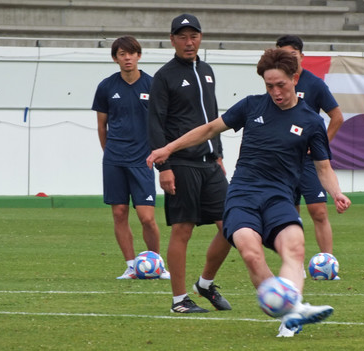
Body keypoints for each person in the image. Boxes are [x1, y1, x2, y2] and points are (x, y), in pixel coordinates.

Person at [147, 49, 351, 335]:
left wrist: (337, 193)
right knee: (250, 251)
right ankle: (293, 311)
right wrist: (168, 148)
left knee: (294, 248)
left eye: (281, 84)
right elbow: (208, 129)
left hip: (280, 197)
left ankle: (290, 314)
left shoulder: (312, 122)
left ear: (295, 79)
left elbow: (323, 167)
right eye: (269, 86)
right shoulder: (252, 106)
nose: (275, 92)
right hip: (243, 196)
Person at [147, 14, 232, 313]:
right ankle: (179, 300)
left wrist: (218, 153)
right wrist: (164, 166)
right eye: (182, 36)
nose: (189, 41)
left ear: (201, 37)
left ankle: (205, 283)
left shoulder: (207, 71)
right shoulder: (164, 76)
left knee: (233, 226)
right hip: (180, 164)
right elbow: (155, 123)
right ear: (172, 40)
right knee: (183, 229)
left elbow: (213, 119)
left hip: (210, 164)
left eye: (193, 35)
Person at [92, 35, 170, 280]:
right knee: (119, 213)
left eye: (132, 53)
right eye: (122, 54)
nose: (127, 58)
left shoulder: (153, 84)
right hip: (114, 159)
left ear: (139, 55)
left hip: (142, 160)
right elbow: (101, 127)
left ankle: (156, 264)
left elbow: (162, 123)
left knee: (147, 217)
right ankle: (130, 266)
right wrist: (110, 153)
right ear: (115, 58)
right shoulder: (106, 87)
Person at [276, 35, 344, 260]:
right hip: (284, 160)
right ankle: (293, 263)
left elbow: (336, 117)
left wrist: (320, 146)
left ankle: (327, 262)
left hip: (308, 163)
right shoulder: (277, 84)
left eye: (293, 55)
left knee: (319, 211)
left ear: (302, 56)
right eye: (284, 56)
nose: (289, 59)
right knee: (288, 214)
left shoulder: (314, 84)